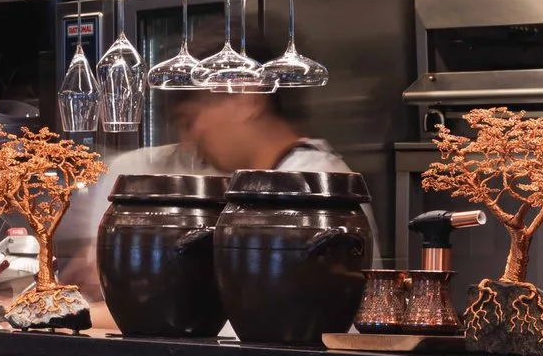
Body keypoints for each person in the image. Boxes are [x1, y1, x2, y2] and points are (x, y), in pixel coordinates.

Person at [58, 89, 373, 299]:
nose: (190, 139)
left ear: (246, 98)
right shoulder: (266, 182)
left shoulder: (309, 181)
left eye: (192, 119)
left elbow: (251, 312)